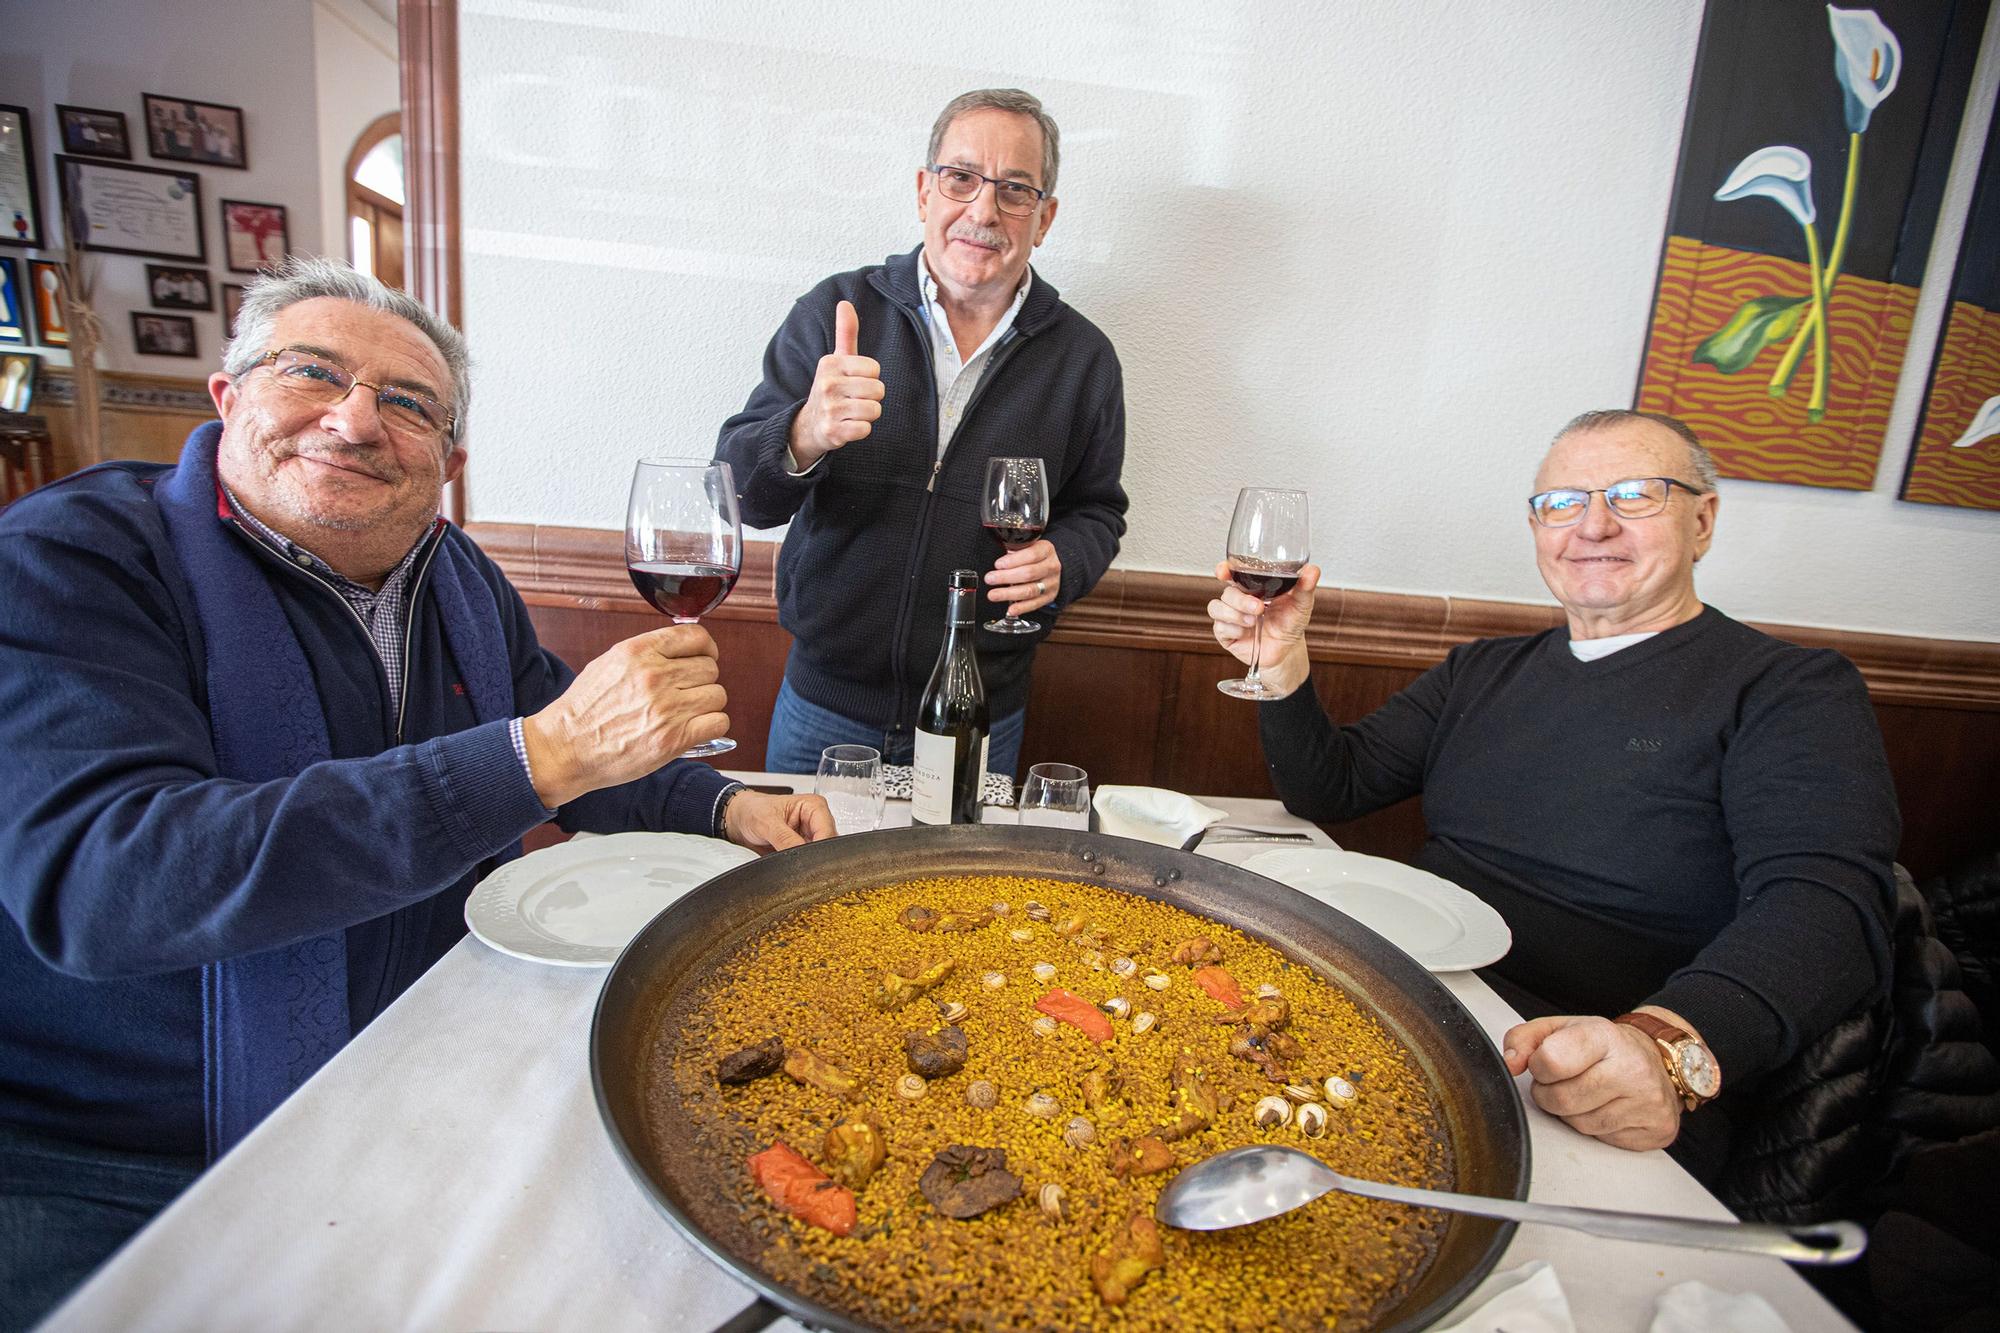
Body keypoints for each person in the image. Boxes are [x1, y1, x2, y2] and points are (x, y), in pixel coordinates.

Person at [0, 256, 832, 1329]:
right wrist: (530, 760)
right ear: (227, 394)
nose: (353, 421)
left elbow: (560, 722)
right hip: (112, 1147)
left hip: (418, 1059)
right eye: (310, 373)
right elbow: (106, 882)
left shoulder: (457, 576)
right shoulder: (73, 558)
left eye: (407, 404)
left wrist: (721, 806)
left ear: (449, 459)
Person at [1206, 409, 1899, 1181]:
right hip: (1412, 999)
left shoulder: (1790, 691)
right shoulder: (1484, 671)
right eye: (1562, 502)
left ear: (1701, 520)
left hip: (1587, 1065)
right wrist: (1281, 657)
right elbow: (1331, 785)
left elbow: (1831, 908)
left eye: (1635, 495)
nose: (1592, 525)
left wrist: (1666, 1046)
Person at [716, 88, 1128, 777]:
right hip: (824, 707)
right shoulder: (837, 310)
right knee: (806, 886)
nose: (983, 211)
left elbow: (1098, 512)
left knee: (957, 892)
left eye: (1015, 190)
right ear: (923, 192)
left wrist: (1066, 558)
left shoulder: (1084, 359)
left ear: (1045, 217)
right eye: (960, 179)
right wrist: (804, 431)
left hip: (981, 717)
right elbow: (741, 493)